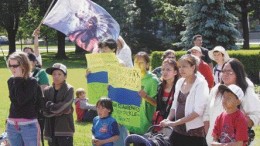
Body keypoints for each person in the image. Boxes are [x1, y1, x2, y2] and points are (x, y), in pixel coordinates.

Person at [204, 58, 260, 145]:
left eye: (229, 72)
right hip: (214, 141)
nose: (225, 74)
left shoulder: (246, 90)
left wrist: (237, 123)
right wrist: (210, 134)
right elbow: (207, 114)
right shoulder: (216, 89)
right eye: (223, 71)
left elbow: (256, 115)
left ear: (238, 74)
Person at [159, 54, 208, 146]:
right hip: (178, 130)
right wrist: (168, 119)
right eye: (180, 67)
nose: (181, 69)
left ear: (193, 67)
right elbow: (174, 105)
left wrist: (175, 122)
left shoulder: (201, 84)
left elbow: (198, 111)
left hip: (194, 132)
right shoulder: (180, 82)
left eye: (184, 66)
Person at [6, 52, 43, 146]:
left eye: (15, 66)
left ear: (24, 65)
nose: (12, 68)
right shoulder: (11, 80)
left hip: (29, 125)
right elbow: (15, 101)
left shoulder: (32, 81)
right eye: (10, 65)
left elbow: (21, 100)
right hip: (12, 125)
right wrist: (16, 79)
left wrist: (18, 79)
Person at [128, 51, 159, 136]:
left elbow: (157, 103)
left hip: (145, 123)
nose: (138, 65)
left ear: (147, 65)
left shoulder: (153, 80)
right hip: (133, 120)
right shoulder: (130, 78)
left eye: (141, 62)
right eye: (136, 62)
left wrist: (146, 97)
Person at [43, 63, 75, 146]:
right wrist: (60, 110)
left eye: (59, 74)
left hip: (64, 128)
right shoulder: (47, 90)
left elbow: (64, 107)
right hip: (50, 128)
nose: (56, 76)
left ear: (65, 76)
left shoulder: (69, 89)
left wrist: (49, 106)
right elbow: (44, 111)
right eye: (54, 74)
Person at [28, 53, 49, 146]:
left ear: (34, 62)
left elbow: (44, 90)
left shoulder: (40, 72)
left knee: (37, 135)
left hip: (37, 109)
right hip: (23, 109)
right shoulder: (20, 74)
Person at [153, 58, 179, 129]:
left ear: (175, 72)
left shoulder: (179, 87)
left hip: (174, 124)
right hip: (161, 123)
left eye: (168, 70)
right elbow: (158, 106)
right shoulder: (160, 86)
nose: (165, 72)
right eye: (163, 69)